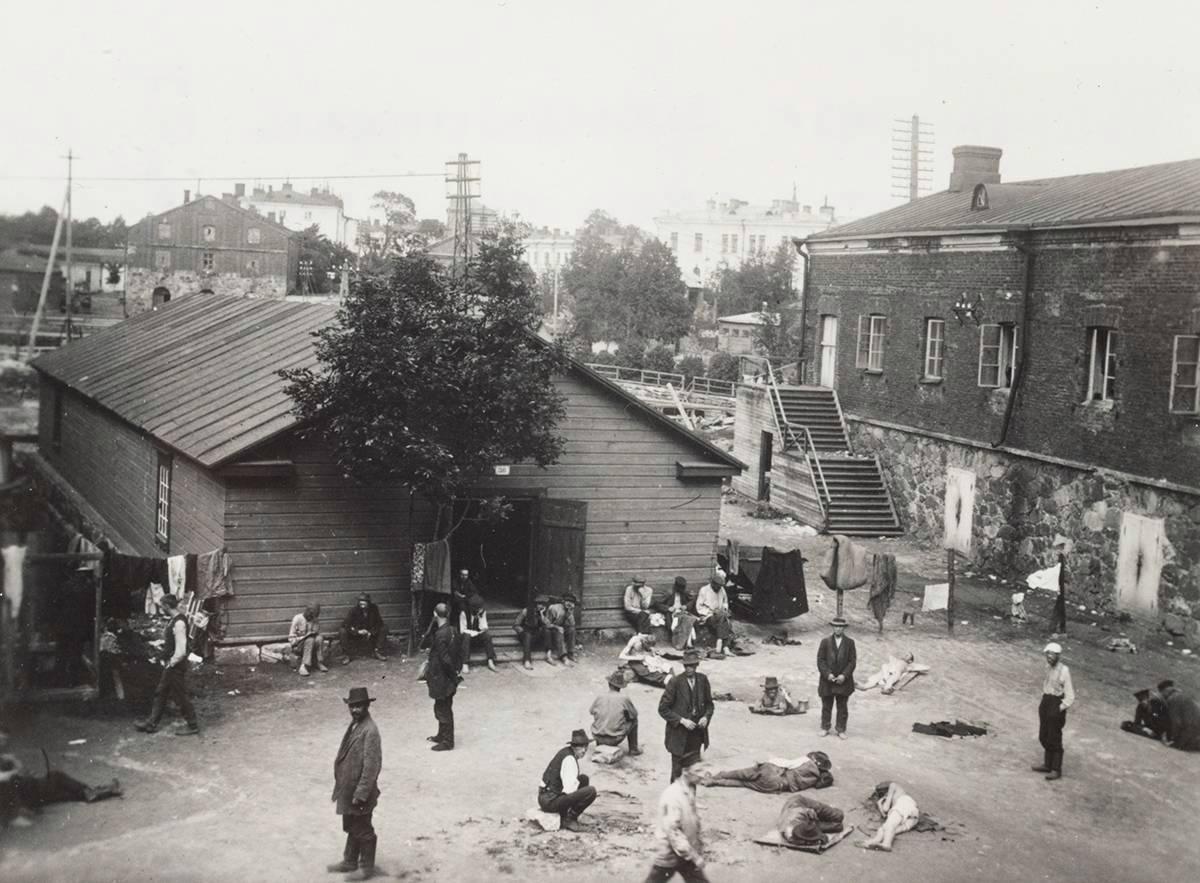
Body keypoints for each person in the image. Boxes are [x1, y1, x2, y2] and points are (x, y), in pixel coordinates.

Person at [0, 729, 122, 829]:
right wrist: (14, 771)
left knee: (66, 793)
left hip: (31, 791)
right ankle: (95, 791)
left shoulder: (4, 756)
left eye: (4, 740)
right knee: (57, 777)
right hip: (27, 795)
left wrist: (15, 763)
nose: (3, 742)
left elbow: (22, 771)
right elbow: (3, 778)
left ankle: (104, 791)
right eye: (1, 739)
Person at [328, 687, 383, 880]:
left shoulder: (370, 731)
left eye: (359, 706)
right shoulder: (356, 725)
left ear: (367, 706)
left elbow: (371, 767)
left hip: (360, 792)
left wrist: (361, 794)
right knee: (352, 825)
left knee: (363, 829)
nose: (355, 710)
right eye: (352, 706)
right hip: (348, 789)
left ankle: (367, 868)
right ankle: (350, 861)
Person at [134, 594, 200, 736]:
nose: (161, 608)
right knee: (162, 692)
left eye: (162, 606)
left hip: (176, 665)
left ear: (167, 606)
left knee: (180, 696)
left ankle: (193, 725)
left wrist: (171, 663)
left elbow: (181, 650)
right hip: (173, 664)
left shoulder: (179, 623)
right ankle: (151, 723)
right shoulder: (174, 620)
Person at [644, 766, 709, 882]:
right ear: (685, 771)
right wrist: (694, 856)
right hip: (670, 853)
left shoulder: (690, 788)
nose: (702, 774)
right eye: (698, 770)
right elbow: (673, 832)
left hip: (685, 850)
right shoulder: (672, 795)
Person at [659, 649, 713, 782]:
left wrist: (706, 717)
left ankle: (689, 800)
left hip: (696, 734)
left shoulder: (703, 680)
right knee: (677, 773)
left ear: (697, 666)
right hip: (679, 734)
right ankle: (674, 800)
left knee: (693, 773)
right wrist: (682, 721)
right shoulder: (675, 682)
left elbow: (709, 705)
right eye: (687, 666)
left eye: (692, 666)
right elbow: (662, 709)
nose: (689, 669)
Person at [538, 729, 598, 832]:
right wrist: (577, 797)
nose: (584, 750)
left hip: (546, 795)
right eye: (580, 747)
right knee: (591, 791)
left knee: (583, 779)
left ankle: (567, 815)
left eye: (585, 747)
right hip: (549, 801)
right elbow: (569, 790)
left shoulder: (566, 752)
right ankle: (569, 819)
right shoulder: (569, 760)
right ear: (574, 747)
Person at [1032, 642, 1075, 780]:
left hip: (1056, 704)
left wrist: (1059, 708)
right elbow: (1047, 684)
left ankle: (1056, 769)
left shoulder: (1064, 671)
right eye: (1047, 654)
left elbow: (1070, 696)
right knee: (1043, 735)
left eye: (1052, 654)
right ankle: (1047, 764)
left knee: (1054, 737)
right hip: (1046, 701)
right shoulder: (1048, 667)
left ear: (1058, 655)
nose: (1049, 657)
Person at [700, 750, 832, 793]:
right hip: (777, 786)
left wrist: (768, 761)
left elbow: (787, 764)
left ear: (815, 760)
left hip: (772, 773)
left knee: (743, 773)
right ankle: (714, 783)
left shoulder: (806, 761)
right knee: (742, 783)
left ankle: (716, 776)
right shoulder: (815, 779)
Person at [426, 603, 459, 751]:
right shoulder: (453, 630)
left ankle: (447, 741)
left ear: (435, 614)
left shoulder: (440, 634)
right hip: (447, 677)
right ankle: (441, 735)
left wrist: (453, 676)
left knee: (443, 709)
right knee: (442, 705)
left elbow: (445, 659)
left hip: (442, 677)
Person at [816, 617, 856, 738]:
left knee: (842, 707)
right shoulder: (825, 642)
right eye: (836, 626)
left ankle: (841, 729)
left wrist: (844, 675)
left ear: (844, 628)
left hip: (844, 681)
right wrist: (828, 674)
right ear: (832, 627)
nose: (838, 629)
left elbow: (852, 661)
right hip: (827, 680)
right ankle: (825, 727)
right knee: (826, 705)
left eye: (840, 627)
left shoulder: (850, 643)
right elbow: (820, 660)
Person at [857, 782, 919, 852]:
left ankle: (887, 844)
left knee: (890, 826)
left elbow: (885, 809)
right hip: (912, 819)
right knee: (883, 828)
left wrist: (880, 803)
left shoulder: (893, 785)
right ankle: (875, 841)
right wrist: (880, 805)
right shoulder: (899, 794)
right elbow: (885, 816)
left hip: (904, 805)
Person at [590, 671, 641, 756]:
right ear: (620, 687)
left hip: (597, 736)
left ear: (609, 684)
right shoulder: (624, 698)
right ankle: (633, 749)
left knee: (599, 716)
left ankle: (600, 744)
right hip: (614, 738)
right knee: (634, 721)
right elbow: (634, 714)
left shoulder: (600, 696)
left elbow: (591, 711)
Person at [513, 594, 565, 670]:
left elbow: (548, 625)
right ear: (536, 604)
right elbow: (516, 625)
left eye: (543, 604)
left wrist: (541, 615)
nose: (541, 606)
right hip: (525, 635)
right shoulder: (526, 611)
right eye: (539, 604)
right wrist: (522, 631)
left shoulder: (544, 613)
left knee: (546, 631)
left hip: (536, 635)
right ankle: (527, 660)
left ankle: (549, 656)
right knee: (527, 635)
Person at [777, 792, 844, 848]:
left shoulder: (803, 814)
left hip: (799, 801)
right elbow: (838, 826)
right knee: (835, 824)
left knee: (839, 815)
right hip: (793, 808)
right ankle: (825, 812)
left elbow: (838, 826)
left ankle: (829, 808)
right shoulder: (791, 835)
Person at [695, 575, 740, 657]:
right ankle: (725, 647)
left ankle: (720, 643)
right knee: (723, 619)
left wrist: (725, 609)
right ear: (713, 584)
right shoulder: (704, 590)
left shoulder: (721, 590)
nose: (719, 589)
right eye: (717, 587)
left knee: (723, 617)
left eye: (720, 587)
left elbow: (725, 601)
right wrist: (711, 612)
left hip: (720, 615)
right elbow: (699, 607)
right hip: (708, 616)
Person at [339, 593, 388, 664]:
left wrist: (370, 632)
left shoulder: (374, 609)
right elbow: (345, 624)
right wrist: (358, 631)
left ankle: (378, 651)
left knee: (384, 627)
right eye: (360, 603)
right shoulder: (354, 610)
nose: (362, 606)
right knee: (342, 631)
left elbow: (379, 623)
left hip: (370, 633)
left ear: (368, 602)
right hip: (356, 634)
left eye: (364, 603)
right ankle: (347, 655)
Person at [458, 594, 497, 674]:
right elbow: (463, 630)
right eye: (479, 608)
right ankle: (465, 663)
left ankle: (490, 660)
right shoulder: (464, 613)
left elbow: (484, 627)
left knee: (487, 635)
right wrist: (473, 632)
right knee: (466, 636)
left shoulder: (482, 612)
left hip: (477, 636)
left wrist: (479, 618)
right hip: (466, 639)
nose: (481, 610)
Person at [1159, 680, 1200, 751]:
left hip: (1190, 733)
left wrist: (1173, 739)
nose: (1162, 696)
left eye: (1162, 693)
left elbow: (1177, 722)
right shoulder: (1184, 695)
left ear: (1165, 691)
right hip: (1196, 732)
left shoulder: (1172, 699)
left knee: (1173, 747)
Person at [289, 604, 328, 677]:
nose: (311, 618)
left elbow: (316, 632)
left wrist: (314, 634)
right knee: (309, 639)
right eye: (311, 615)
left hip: (311, 645)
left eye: (313, 616)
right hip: (298, 646)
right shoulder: (297, 618)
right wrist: (304, 637)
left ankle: (318, 662)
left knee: (319, 638)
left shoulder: (314, 619)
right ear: (307, 611)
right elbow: (291, 639)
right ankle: (304, 666)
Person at [545, 593, 578, 665]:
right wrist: (557, 627)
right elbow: (546, 624)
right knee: (559, 631)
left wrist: (570, 613)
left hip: (562, 629)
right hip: (551, 629)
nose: (569, 603)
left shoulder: (569, 610)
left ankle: (570, 653)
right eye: (567, 601)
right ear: (563, 601)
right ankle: (563, 656)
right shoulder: (554, 608)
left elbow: (572, 624)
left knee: (572, 629)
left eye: (571, 602)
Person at [668, 577, 697, 651]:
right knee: (685, 621)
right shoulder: (669, 593)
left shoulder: (684, 593)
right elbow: (657, 603)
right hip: (673, 614)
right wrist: (668, 608)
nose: (682, 590)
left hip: (682, 613)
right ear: (676, 586)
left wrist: (686, 606)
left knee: (688, 620)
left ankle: (688, 643)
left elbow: (692, 601)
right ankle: (686, 643)